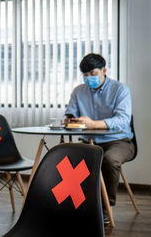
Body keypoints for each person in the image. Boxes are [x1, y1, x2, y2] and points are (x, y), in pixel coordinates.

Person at [65, 53, 135, 224]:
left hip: (119, 141)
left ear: (104, 70)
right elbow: (70, 112)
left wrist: (93, 124)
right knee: (66, 160)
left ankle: (104, 208)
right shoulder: (78, 91)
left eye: (93, 74)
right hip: (89, 142)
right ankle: (73, 206)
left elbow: (123, 121)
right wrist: (70, 119)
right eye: (86, 75)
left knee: (109, 160)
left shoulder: (120, 89)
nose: (89, 78)